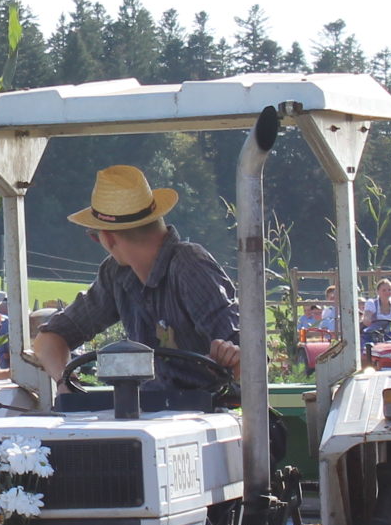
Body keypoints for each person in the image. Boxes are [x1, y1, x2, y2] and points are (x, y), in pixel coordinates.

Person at [32, 165, 241, 413]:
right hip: (149, 415)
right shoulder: (116, 274)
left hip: (208, 415)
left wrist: (231, 357)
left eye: (95, 236)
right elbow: (49, 339)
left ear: (107, 238)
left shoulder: (190, 265)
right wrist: (65, 382)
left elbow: (246, 359)